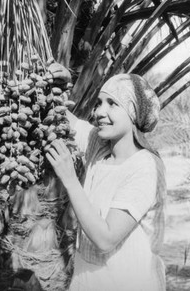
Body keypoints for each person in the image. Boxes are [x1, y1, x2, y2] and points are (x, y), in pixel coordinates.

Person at [45, 67, 166, 291]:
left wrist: (70, 179)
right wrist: (59, 85)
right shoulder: (99, 147)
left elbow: (105, 239)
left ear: (134, 113)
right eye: (99, 103)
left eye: (112, 104)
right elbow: (59, 113)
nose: (99, 112)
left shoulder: (145, 167)